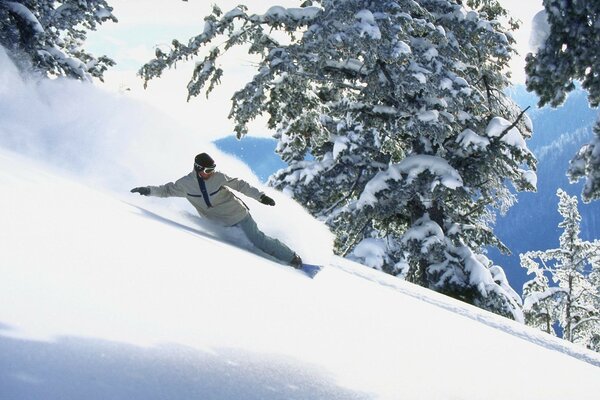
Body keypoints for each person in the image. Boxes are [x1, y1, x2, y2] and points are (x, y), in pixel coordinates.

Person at [130, 152, 303, 269]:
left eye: (213, 169)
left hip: (238, 214)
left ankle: (292, 259)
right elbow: (166, 190)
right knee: (244, 250)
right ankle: (274, 265)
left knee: (257, 239)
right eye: (208, 170)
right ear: (198, 169)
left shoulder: (218, 177)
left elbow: (240, 185)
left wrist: (261, 196)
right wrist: (148, 190)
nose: (211, 173)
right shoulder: (185, 184)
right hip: (219, 223)